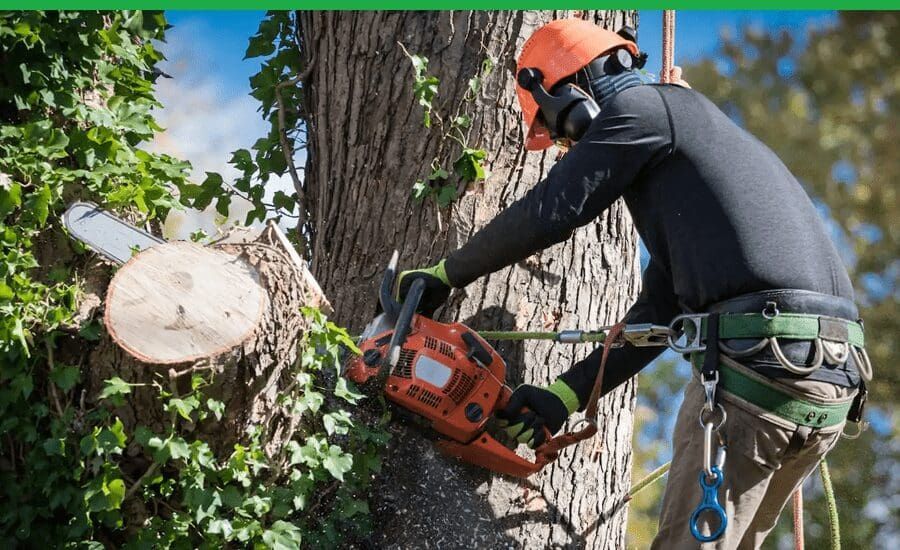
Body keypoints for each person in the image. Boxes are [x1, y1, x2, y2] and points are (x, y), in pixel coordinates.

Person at [396, 18, 869, 549]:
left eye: (561, 133)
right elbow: (661, 314)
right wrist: (562, 397)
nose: (566, 150)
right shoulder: (690, 157)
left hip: (759, 369)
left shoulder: (642, 110)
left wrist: (445, 274)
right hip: (824, 384)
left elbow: (554, 210)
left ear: (571, 97)